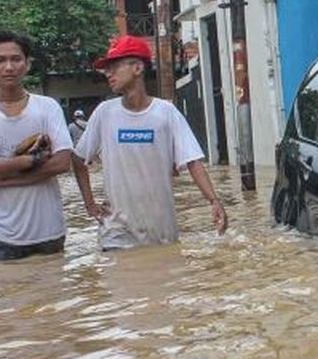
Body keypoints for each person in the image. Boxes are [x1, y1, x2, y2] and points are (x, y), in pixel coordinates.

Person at [72, 35, 227, 250]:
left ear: (137, 68)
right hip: (116, 234)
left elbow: (192, 161)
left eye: (115, 66)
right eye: (107, 68)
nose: (108, 73)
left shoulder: (166, 113)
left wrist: (213, 201)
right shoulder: (104, 113)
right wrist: (89, 204)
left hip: (162, 232)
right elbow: (78, 159)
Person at [0, 31, 73, 261]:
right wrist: (25, 162)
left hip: (48, 232)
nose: (9, 67)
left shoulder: (48, 107)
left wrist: (1, 174)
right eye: (0, 60)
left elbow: (62, 162)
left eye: (16, 59)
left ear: (27, 64)